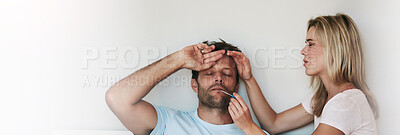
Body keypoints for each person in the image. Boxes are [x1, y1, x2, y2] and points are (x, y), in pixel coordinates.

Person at [227, 13, 378, 135]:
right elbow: (273, 123)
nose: (303, 51)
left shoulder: (345, 103)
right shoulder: (322, 98)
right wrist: (249, 78)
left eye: (311, 44)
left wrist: (248, 127)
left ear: (334, 49)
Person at [105, 40, 269, 135]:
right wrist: (179, 60)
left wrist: (250, 128)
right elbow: (117, 99)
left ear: (236, 87)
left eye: (226, 74)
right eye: (209, 73)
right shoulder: (168, 122)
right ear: (194, 85)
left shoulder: (252, 131)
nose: (218, 78)